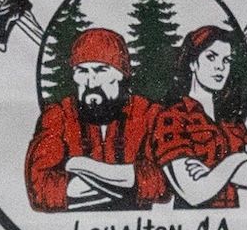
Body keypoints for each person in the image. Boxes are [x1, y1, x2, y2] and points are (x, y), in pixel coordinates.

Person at [22, 24, 172, 210]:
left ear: (120, 75)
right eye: (83, 71)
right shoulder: (59, 115)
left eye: (101, 70)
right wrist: (129, 180)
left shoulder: (149, 114)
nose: (91, 82)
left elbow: (165, 182)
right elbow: (40, 188)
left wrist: (80, 165)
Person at [152, 25, 247, 210]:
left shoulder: (232, 122)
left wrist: (209, 171)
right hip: (190, 226)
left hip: (233, 224)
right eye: (211, 57)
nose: (220, 67)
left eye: (226, 60)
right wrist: (238, 159)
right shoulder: (172, 118)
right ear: (192, 63)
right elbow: (193, 192)